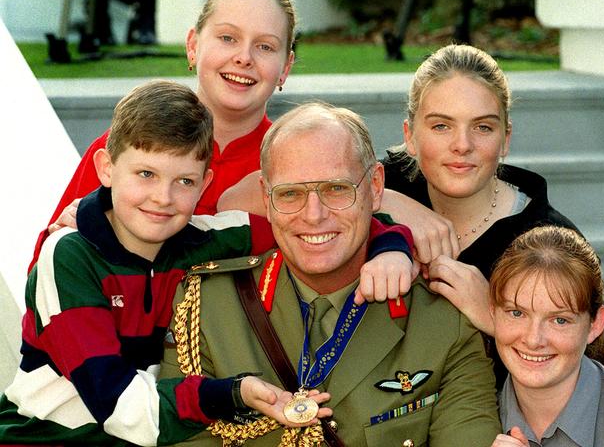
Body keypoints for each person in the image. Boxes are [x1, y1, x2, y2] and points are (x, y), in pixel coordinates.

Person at [0, 82, 415, 446]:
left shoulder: (200, 238)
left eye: (183, 181)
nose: (163, 197)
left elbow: (311, 228)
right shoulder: (70, 256)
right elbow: (121, 409)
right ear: (106, 169)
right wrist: (231, 394)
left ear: (206, 184)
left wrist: (391, 248)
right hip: (46, 437)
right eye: (146, 173)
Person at [160, 102, 501, 446]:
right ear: (266, 198)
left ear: (375, 186)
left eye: (336, 189)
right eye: (290, 194)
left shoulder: (442, 318)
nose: (313, 215)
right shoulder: (207, 307)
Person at [379, 43, 604, 381]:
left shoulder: (550, 242)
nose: (462, 144)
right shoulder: (388, 185)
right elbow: (307, 175)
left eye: (483, 127)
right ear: (410, 137)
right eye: (441, 126)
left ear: (505, 139)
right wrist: (384, 199)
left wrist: (500, 317)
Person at [30, 0, 297, 270]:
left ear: (285, 67)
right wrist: (67, 235)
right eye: (227, 38)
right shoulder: (130, 144)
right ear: (193, 45)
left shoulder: (295, 164)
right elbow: (44, 277)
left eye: (265, 46)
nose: (244, 57)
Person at [489, 226, 604, 447]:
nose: (534, 339)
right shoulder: (466, 416)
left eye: (560, 320)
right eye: (517, 313)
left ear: (596, 324)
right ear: (492, 312)